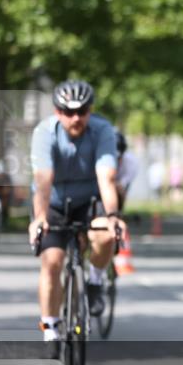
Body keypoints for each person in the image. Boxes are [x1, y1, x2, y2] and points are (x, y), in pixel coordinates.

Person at [27, 80, 128, 346]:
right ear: (57, 111)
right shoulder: (44, 133)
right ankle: (49, 325)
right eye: (68, 112)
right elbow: (43, 181)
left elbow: (106, 177)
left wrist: (114, 215)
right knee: (52, 262)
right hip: (54, 203)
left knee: (106, 234)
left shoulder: (102, 130)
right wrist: (39, 218)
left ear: (90, 110)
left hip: (89, 200)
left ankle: (95, 281)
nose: (76, 118)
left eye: (82, 112)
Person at [114, 130, 140, 212]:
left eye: (118, 158)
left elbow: (123, 184)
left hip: (120, 181)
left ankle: (118, 213)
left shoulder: (131, 162)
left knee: (120, 193)